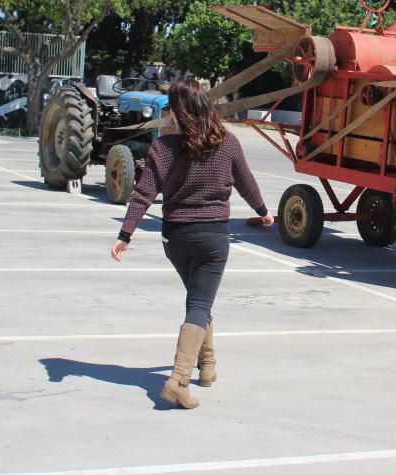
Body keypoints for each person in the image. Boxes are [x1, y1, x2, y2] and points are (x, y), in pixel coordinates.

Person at [111, 79, 274, 409]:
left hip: (175, 238)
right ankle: (178, 380)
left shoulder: (163, 148)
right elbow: (247, 183)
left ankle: (208, 368)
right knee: (199, 304)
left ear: (177, 113)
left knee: (199, 302)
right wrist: (263, 212)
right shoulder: (227, 144)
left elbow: (143, 195)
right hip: (212, 238)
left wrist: (124, 235)